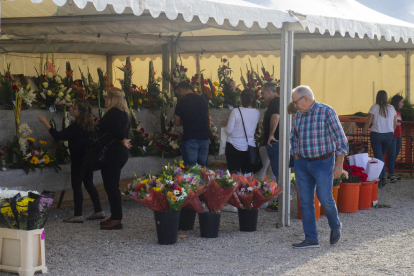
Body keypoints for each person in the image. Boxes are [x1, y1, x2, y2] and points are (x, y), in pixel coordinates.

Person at [291, 85, 348, 248]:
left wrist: (339, 164)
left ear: (306, 99)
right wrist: (295, 154)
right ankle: (311, 238)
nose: (294, 105)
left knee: (325, 197)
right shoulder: (299, 115)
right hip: (302, 163)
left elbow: (341, 140)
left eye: (295, 102)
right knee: (305, 201)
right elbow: (293, 136)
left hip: (323, 163)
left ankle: (335, 225)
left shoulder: (327, 112)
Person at [38, 99, 104, 223]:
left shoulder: (76, 126)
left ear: (80, 112)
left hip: (78, 159)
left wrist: (45, 123)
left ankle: (78, 214)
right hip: (89, 158)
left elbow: (58, 136)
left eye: (73, 108)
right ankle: (98, 210)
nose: (70, 109)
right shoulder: (89, 124)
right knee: (89, 183)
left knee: (77, 185)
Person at [98, 87, 131, 230]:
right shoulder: (123, 113)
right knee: (111, 185)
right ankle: (115, 215)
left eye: (106, 97)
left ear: (111, 99)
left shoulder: (113, 113)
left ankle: (117, 219)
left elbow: (118, 131)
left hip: (113, 153)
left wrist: (122, 140)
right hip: (117, 153)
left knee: (112, 186)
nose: (105, 100)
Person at [360, 90, 397, 188]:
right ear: (386, 97)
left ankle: (382, 179)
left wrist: (363, 133)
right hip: (388, 135)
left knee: (378, 157)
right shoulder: (391, 108)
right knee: (380, 156)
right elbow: (395, 122)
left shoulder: (374, 107)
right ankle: (381, 178)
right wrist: (392, 132)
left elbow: (368, 122)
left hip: (376, 134)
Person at [221, 89, 261, 174]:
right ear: (252, 99)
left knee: (234, 175)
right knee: (247, 175)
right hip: (249, 146)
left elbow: (228, 130)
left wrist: (228, 123)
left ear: (241, 99)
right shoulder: (257, 113)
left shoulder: (236, 111)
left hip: (233, 146)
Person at [174, 81, 210, 167]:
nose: (180, 94)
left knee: (190, 168)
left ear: (181, 90)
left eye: (179, 92)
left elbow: (176, 122)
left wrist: (186, 121)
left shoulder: (181, 102)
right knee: (203, 169)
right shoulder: (203, 100)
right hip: (204, 138)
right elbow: (207, 117)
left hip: (190, 138)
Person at [261, 83, 280, 212]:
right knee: (275, 171)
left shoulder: (274, 102)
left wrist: (271, 134)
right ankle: (278, 199)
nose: (262, 96)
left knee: (277, 172)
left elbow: (275, 116)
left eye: (262, 93)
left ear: (269, 91)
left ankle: (279, 201)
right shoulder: (280, 101)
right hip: (278, 141)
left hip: (274, 141)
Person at [387, 95, 404, 182]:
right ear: (397, 102)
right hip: (393, 136)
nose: (403, 104)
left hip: (399, 136)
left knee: (395, 155)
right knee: (392, 155)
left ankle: (392, 173)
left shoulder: (399, 112)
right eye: (401, 102)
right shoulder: (392, 111)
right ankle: (391, 174)